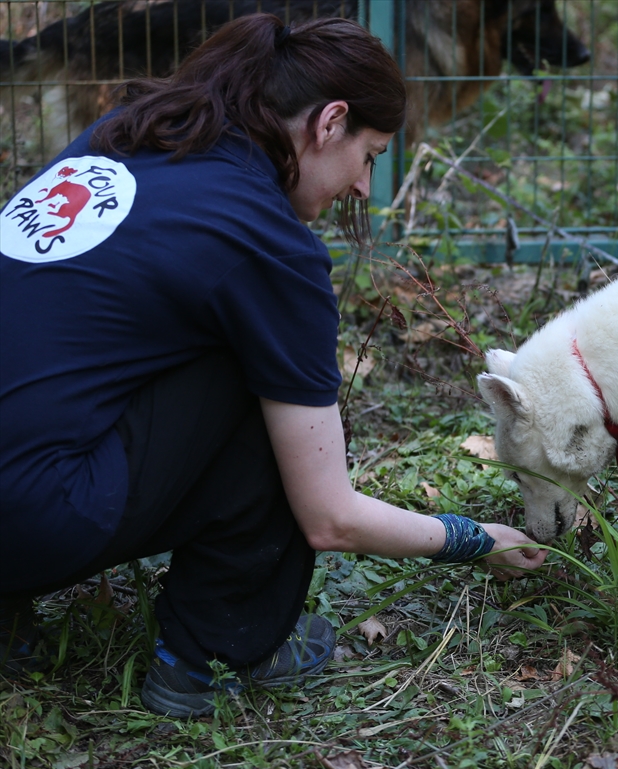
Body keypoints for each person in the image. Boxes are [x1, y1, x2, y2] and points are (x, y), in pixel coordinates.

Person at [0, 14, 546, 718]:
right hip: (26, 514)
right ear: (329, 124)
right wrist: (471, 538)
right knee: (281, 382)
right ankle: (210, 649)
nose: (361, 189)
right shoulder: (266, 241)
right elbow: (330, 516)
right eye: (372, 155)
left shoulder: (133, 129)